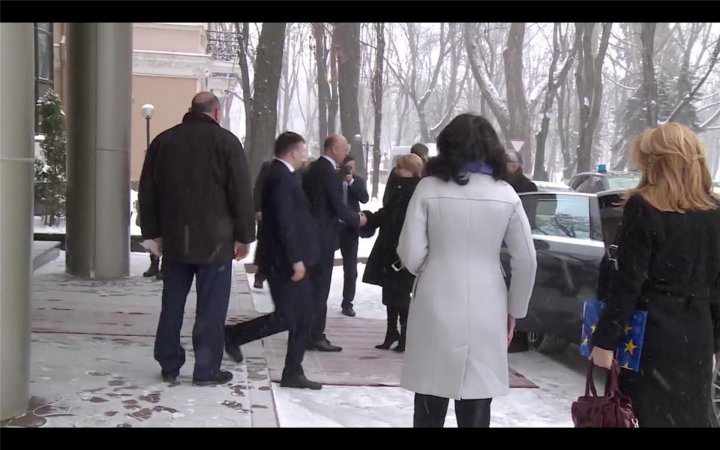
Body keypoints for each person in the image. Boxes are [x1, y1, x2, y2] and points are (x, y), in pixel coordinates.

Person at [396, 114, 537, 428]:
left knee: (430, 398)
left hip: (436, 298)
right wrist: (515, 310)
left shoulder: (427, 188)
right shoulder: (506, 194)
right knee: (476, 399)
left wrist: (431, 267)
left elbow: (410, 252)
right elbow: (526, 261)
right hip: (488, 303)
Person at [590, 122, 720, 427]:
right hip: (696, 337)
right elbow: (718, 287)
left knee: (645, 415)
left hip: (651, 336)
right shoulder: (715, 213)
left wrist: (605, 340)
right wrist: (715, 342)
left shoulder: (643, 207)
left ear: (657, 162)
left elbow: (627, 283)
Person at [138, 92, 255, 386]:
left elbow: (148, 191)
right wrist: (243, 236)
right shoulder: (227, 143)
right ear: (216, 113)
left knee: (173, 303)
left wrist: (152, 233)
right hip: (216, 242)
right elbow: (241, 193)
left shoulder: (163, 141)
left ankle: (168, 363)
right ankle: (206, 369)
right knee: (211, 308)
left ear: (191, 110)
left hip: (176, 240)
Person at [224, 132, 322, 390]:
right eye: (303, 150)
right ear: (292, 151)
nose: (305, 154)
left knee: (303, 316)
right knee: (288, 317)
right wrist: (296, 260)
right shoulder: (280, 177)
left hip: (289, 259)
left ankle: (293, 371)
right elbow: (283, 222)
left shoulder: (286, 175)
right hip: (284, 262)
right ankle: (233, 334)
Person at [302, 135, 367, 352]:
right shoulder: (327, 170)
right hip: (322, 237)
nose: (346, 153)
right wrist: (357, 219)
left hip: (313, 234)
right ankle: (315, 335)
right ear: (334, 149)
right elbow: (337, 204)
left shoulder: (315, 168)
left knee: (314, 289)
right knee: (320, 289)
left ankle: (308, 332)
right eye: (344, 148)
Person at [362, 153, 423, 352]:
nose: (397, 170)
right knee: (389, 291)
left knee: (402, 292)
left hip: (403, 247)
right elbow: (388, 212)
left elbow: (402, 218)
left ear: (411, 169)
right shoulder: (399, 188)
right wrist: (371, 219)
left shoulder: (415, 190)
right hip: (390, 245)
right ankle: (391, 332)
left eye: (401, 167)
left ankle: (405, 333)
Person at [338, 154, 369, 317]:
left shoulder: (358, 180)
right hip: (333, 227)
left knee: (350, 267)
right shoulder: (333, 179)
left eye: (352, 167)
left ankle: (347, 302)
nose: (350, 170)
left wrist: (351, 181)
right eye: (347, 167)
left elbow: (364, 198)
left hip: (350, 229)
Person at [252, 161, 272, 289]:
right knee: (265, 244)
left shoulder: (296, 168)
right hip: (267, 213)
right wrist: (258, 208)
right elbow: (258, 187)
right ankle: (260, 275)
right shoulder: (268, 166)